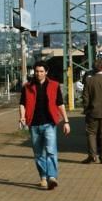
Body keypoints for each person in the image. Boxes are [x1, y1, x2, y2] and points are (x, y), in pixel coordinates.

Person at [19, 61, 70, 189]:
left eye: (41, 71)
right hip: (34, 124)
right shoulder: (27, 87)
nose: (39, 74)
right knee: (38, 154)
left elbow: (60, 104)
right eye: (37, 71)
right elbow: (22, 104)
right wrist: (22, 117)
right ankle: (43, 177)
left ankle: (52, 177)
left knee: (51, 151)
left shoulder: (54, 85)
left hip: (49, 124)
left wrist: (66, 121)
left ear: (46, 72)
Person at [81, 58, 102, 164]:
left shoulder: (89, 80)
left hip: (92, 112)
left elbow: (85, 97)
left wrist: (86, 109)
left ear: (94, 68)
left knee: (91, 134)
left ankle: (92, 156)